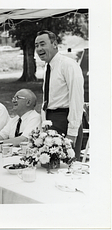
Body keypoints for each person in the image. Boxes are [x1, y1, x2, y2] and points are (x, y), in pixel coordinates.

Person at [35, 30, 84, 160]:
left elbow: (77, 99)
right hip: (50, 122)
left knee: (67, 167)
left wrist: (72, 133)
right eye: (36, 45)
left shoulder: (68, 65)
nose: (39, 48)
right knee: (49, 166)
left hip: (65, 120)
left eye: (42, 44)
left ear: (55, 44)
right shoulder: (48, 68)